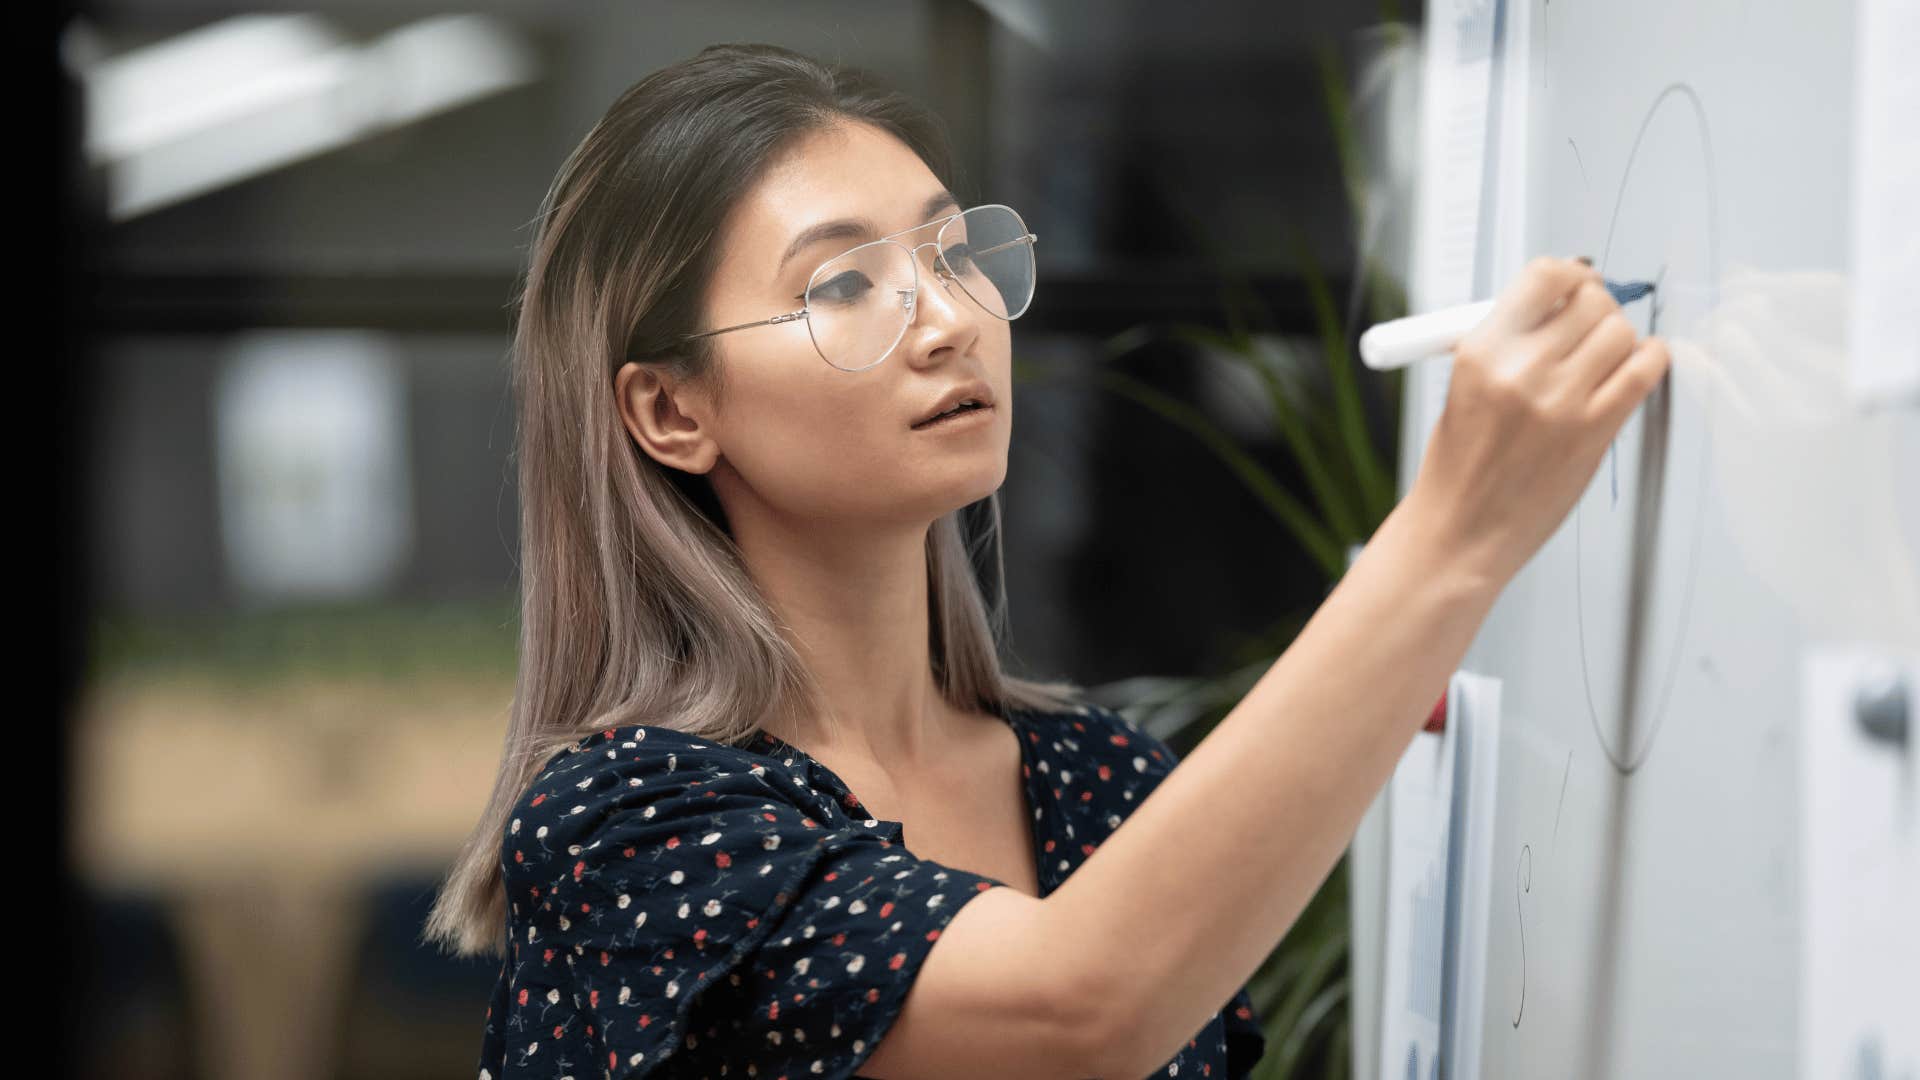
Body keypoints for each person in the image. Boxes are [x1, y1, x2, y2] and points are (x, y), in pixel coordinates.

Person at [424, 40, 1670, 1080]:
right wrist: (1451, 537)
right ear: (670, 412)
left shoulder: (1098, 779)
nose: (954, 320)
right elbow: (1078, 1012)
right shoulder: (627, 826)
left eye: (955, 252)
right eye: (845, 283)